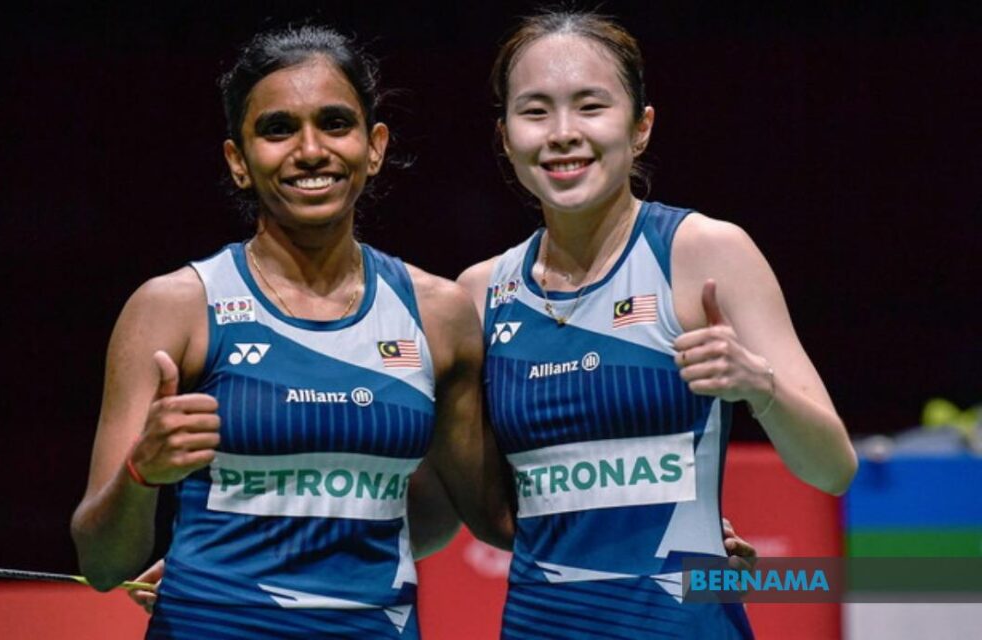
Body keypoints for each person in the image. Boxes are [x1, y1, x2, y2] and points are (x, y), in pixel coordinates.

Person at [69, 25, 510, 639]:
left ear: (374, 146)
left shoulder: (438, 314)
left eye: (335, 123)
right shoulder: (174, 308)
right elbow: (101, 563)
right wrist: (142, 474)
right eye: (278, 129)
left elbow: (476, 515)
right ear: (238, 161)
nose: (310, 150)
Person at [455, 10, 858, 639]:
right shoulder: (479, 294)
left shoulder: (705, 254)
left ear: (640, 127)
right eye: (535, 112)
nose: (563, 133)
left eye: (591, 106)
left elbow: (832, 470)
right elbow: (490, 511)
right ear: (506, 137)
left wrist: (759, 386)